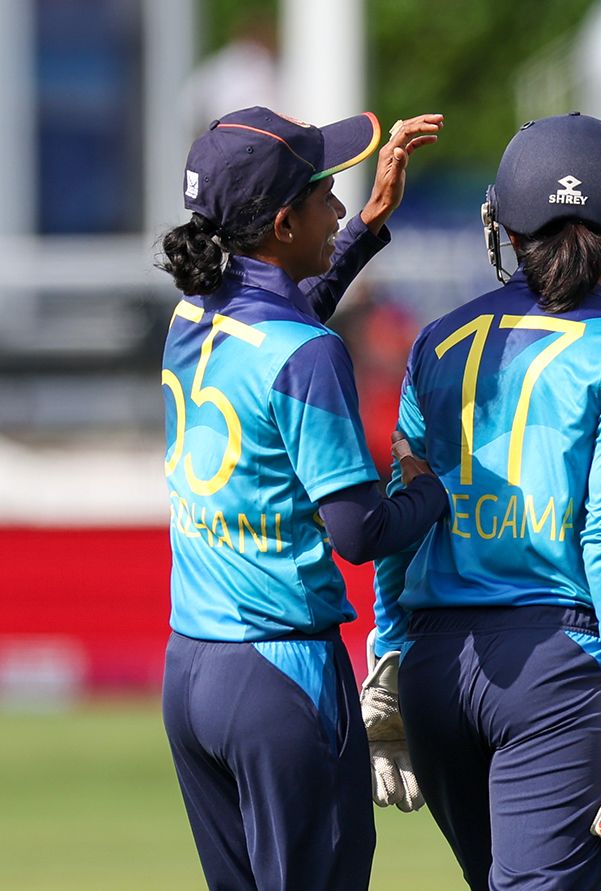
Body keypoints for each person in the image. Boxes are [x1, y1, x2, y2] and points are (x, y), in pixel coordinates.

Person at [368, 112, 601, 889]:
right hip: (556, 667)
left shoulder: (436, 340)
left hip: (437, 668)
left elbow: (404, 515)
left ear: (500, 225)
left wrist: (388, 651)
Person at [157, 106, 446, 891]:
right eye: (326, 195)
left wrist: (369, 232)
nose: (342, 207)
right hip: (280, 678)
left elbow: (278, 327)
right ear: (283, 224)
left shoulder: (191, 313)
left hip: (190, 672)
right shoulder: (309, 354)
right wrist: (435, 492)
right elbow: (359, 532)